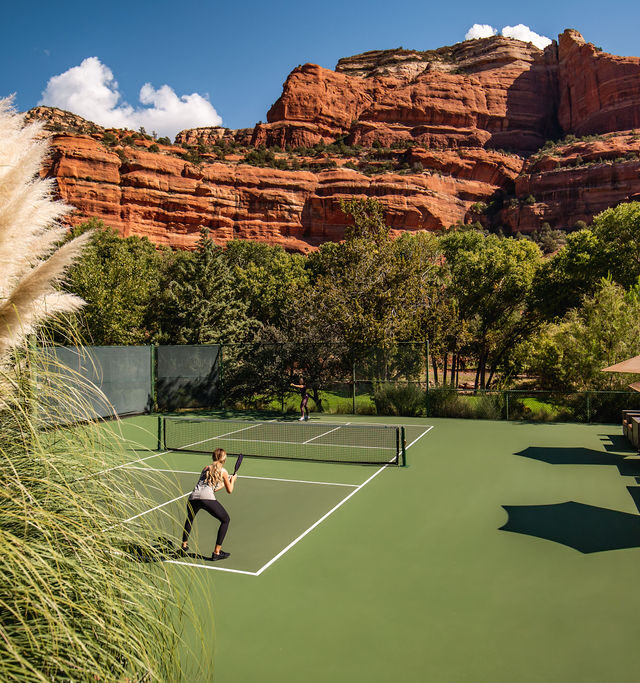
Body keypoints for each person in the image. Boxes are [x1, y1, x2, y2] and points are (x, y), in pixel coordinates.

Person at [181, 448, 237, 561]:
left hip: (193, 498)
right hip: (207, 499)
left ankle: (184, 546)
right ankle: (216, 552)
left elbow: (211, 488)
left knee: (190, 518)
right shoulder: (224, 472)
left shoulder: (205, 468)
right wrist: (232, 480)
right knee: (226, 520)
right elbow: (229, 490)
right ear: (224, 459)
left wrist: (224, 481)